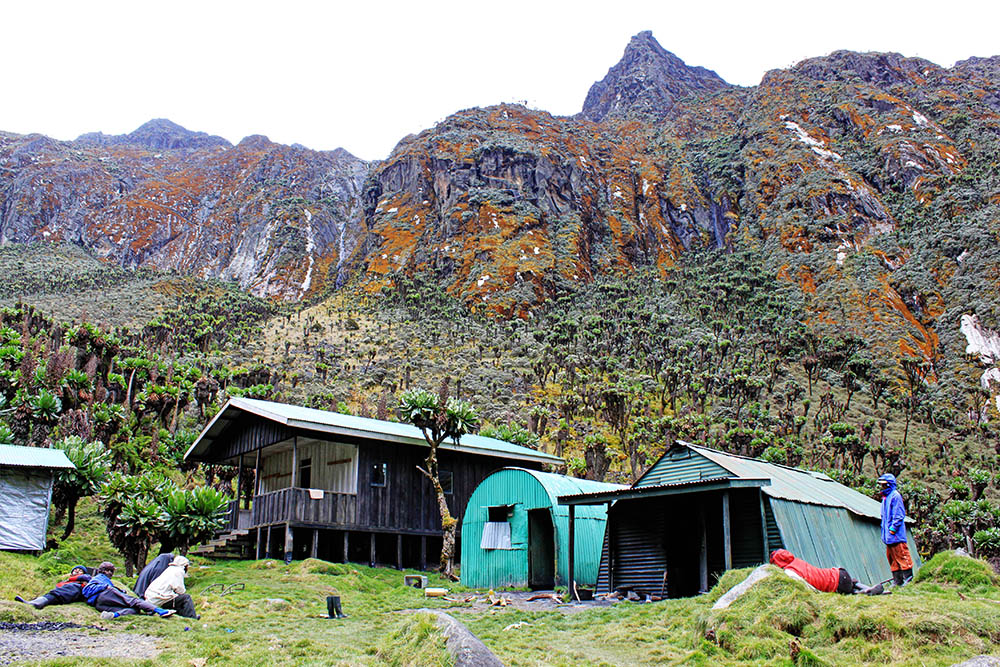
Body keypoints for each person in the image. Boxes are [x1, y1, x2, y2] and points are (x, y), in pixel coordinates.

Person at [82, 562, 175, 619]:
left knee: (134, 610)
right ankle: (160, 611)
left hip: (100, 604)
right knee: (134, 601)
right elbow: (86, 590)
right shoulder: (99, 578)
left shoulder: (104, 580)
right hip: (105, 595)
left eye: (111, 571)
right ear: (103, 571)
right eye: (108, 571)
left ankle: (114, 615)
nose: (110, 573)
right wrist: (105, 587)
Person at [769, 549, 882, 595]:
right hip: (840, 573)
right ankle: (862, 586)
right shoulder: (796, 561)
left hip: (838, 583)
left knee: (847, 591)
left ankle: (863, 592)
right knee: (847, 584)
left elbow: (807, 587)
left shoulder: (790, 572)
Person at [878, 473, 914, 586]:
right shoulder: (885, 498)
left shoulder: (895, 496)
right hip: (888, 536)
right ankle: (897, 581)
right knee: (892, 558)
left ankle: (908, 580)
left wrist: (893, 529)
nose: (882, 487)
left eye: (884, 485)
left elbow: (899, 515)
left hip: (896, 535)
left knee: (902, 556)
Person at [144, 555, 199, 619]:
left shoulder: (170, 569)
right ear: (185, 566)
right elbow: (180, 590)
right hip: (159, 599)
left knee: (176, 599)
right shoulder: (179, 571)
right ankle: (192, 617)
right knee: (186, 598)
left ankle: (184, 616)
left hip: (152, 597)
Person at [15, 565, 92, 609]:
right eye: (75, 570)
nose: (77, 571)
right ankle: (35, 602)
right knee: (52, 596)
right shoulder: (65, 581)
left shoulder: (84, 578)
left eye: (80, 570)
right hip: (63, 594)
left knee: (56, 594)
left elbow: (87, 578)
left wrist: (72, 578)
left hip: (74, 591)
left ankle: (35, 604)